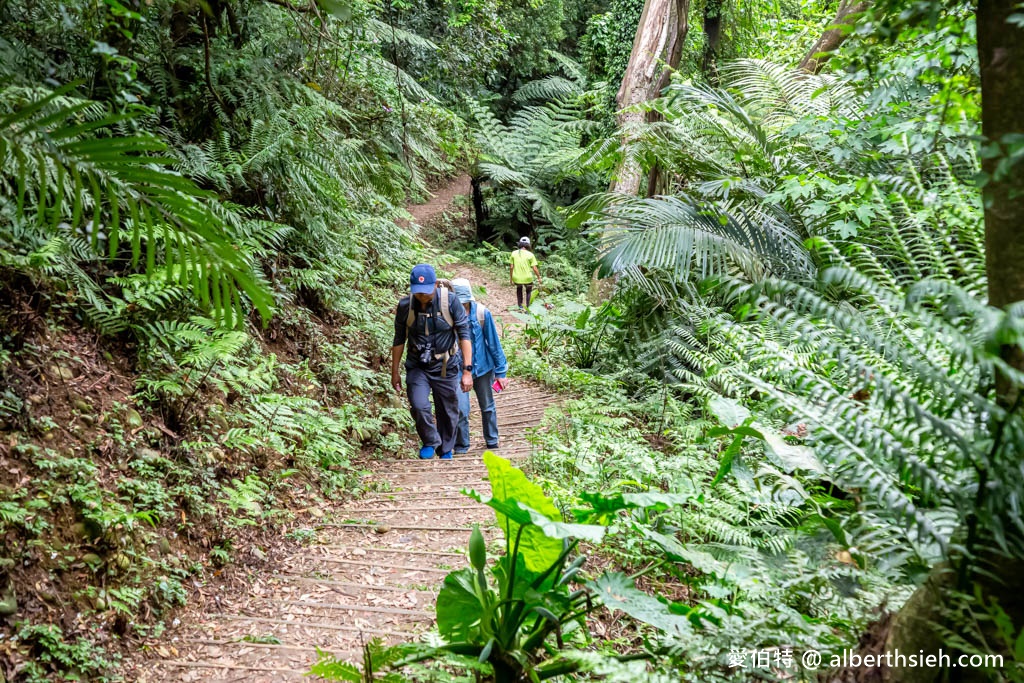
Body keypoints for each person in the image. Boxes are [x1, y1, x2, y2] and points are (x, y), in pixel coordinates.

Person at [391, 264, 474, 460]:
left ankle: (445, 448)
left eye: (426, 291)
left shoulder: (450, 302)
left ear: (436, 285)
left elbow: (464, 335)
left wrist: (467, 370)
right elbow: (398, 339)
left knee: (448, 408)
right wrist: (394, 372)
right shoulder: (405, 306)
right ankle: (430, 440)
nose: (422, 296)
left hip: (446, 364)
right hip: (418, 365)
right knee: (419, 405)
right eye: (418, 292)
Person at [450, 279, 508, 454]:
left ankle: (492, 440)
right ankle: (462, 445)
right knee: (461, 408)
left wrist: (501, 371)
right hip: (458, 369)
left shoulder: (482, 313)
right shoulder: (447, 315)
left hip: (483, 367)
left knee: (487, 405)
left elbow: (493, 343)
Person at [510, 236, 542, 311]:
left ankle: (520, 307)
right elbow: (534, 268)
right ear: (528, 245)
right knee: (528, 292)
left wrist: (511, 278)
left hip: (517, 278)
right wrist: (539, 277)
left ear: (520, 244)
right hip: (528, 278)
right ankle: (528, 308)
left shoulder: (514, 253)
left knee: (519, 289)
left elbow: (511, 267)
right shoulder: (531, 255)